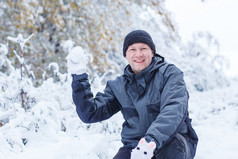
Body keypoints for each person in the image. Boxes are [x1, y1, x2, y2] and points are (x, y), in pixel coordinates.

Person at [66, 30, 198, 159]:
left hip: (173, 142)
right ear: (126, 55)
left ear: (152, 52)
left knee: (171, 151)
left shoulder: (170, 74)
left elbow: (173, 110)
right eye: (132, 49)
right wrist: (79, 78)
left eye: (143, 48)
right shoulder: (118, 86)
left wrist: (150, 142)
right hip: (135, 147)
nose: (138, 54)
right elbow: (90, 114)